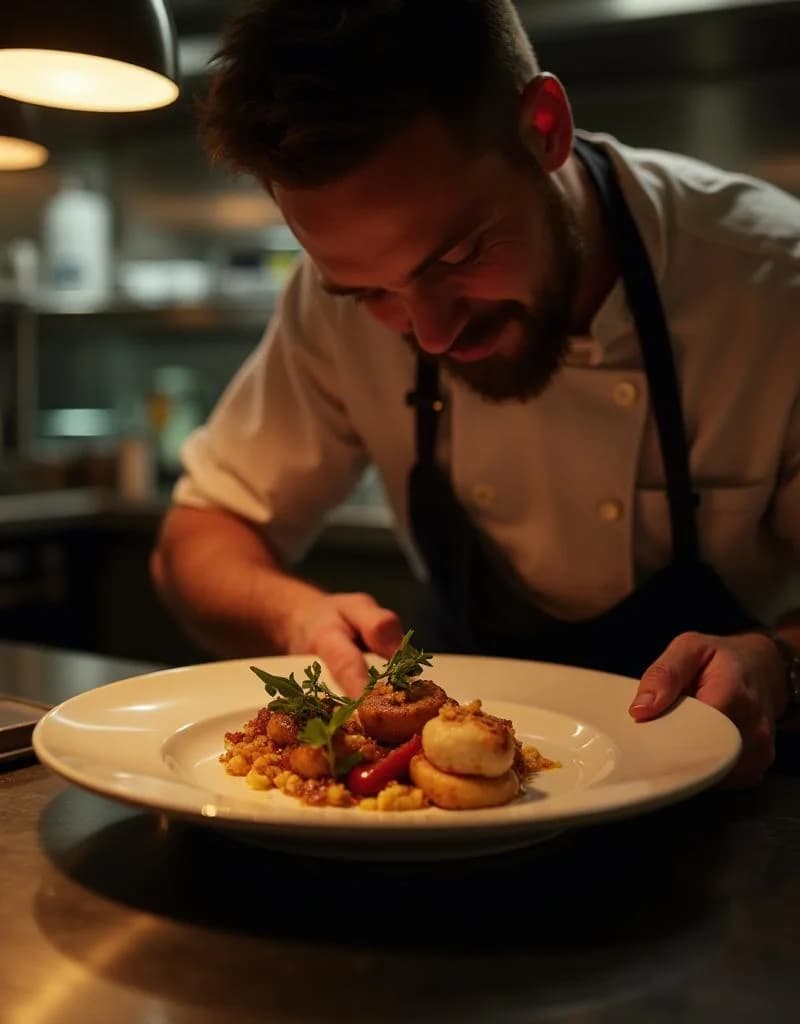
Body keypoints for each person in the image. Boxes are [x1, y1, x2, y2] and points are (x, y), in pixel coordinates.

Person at [151, 0, 800, 785]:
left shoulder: (771, 283)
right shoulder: (327, 304)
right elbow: (199, 536)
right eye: (367, 295)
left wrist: (779, 660)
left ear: (546, 129)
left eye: (458, 255)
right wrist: (293, 614)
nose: (428, 333)